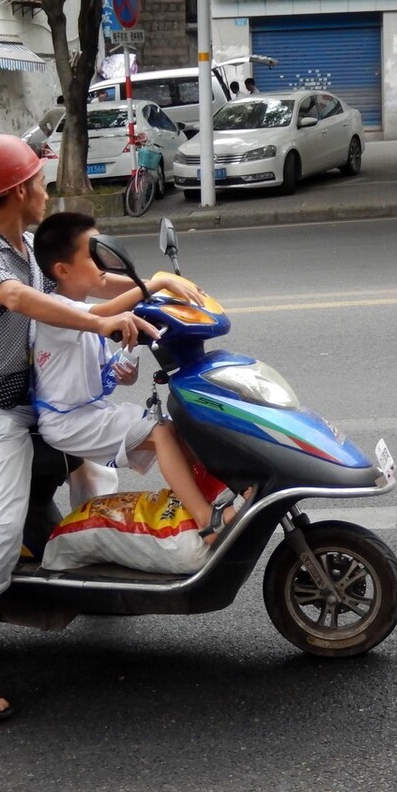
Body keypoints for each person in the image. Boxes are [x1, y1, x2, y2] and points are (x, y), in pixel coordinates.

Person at [0, 134, 202, 720]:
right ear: (13, 192)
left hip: (38, 397)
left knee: (97, 475)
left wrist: (157, 286)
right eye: (37, 182)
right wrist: (100, 324)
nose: (45, 189)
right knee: (5, 519)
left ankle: (86, 574)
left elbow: (92, 284)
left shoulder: (30, 245)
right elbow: (24, 301)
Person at [31, 211, 242, 546]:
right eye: (92, 255)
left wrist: (124, 369)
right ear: (63, 270)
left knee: (181, 428)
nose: (103, 263)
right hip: (68, 421)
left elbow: (108, 376)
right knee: (161, 432)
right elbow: (104, 312)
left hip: (91, 412)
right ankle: (206, 522)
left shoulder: (84, 315)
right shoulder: (58, 312)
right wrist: (156, 282)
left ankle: (207, 502)